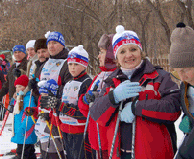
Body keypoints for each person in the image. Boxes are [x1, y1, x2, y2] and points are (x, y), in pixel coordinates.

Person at [89, 25, 181, 159]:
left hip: (153, 154)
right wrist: (113, 97)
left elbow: (173, 109)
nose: (129, 55)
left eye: (133, 49)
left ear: (141, 51)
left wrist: (136, 107)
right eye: (122, 52)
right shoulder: (111, 81)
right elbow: (96, 114)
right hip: (119, 153)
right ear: (116, 58)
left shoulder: (159, 76)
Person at [42, 45, 92, 159]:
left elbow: (83, 113)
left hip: (80, 132)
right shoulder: (68, 84)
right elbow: (59, 106)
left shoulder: (87, 83)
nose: (72, 68)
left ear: (84, 65)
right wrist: (52, 109)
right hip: (65, 130)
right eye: (70, 64)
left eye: (76, 64)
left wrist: (59, 105)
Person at [33, 31, 72, 158]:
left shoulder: (68, 63)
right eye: (49, 43)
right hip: (44, 110)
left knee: (57, 148)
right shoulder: (46, 63)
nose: (51, 46)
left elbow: (71, 88)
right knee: (45, 144)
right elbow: (39, 86)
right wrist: (33, 86)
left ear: (62, 45)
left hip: (59, 112)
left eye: (55, 43)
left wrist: (56, 90)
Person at [78, 34, 116, 159]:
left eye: (102, 52)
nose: (98, 56)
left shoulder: (117, 77)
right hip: (96, 138)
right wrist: (85, 100)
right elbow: (84, 109)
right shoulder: (99, 77)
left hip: (109, 139)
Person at [169, 22, 194, 159]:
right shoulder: (186, 85)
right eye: (178, 72)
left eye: (186, 70)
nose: (182, 76)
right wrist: (188, 117)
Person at [11, 75, 37, 159]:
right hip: (20, 130)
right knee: (29, 152)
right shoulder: (20, 97)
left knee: (23, 152)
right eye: (16, 87)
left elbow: (30, 115)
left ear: (26, 87)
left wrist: (24, 128)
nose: (18, 89)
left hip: (25, 131)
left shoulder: (28, 98)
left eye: (20, 86)